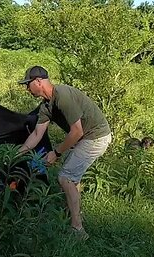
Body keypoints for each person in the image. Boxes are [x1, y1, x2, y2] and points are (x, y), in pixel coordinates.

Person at [17, 66, 112, 240]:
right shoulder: (46, 106)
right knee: (72, 177)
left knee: (65, 177)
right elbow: (37, 134)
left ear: (38, 81)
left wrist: (56, 153)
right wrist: (18, 153)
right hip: (86, 138)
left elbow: (77, 131)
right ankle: (74, 215)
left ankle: (77, 230)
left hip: (96, 137)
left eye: (28, 84)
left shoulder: (62, 95)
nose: (26, 88)